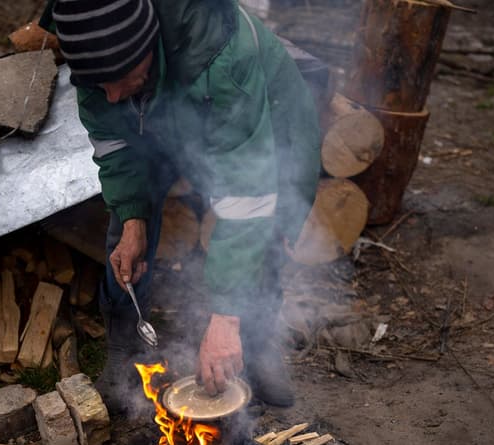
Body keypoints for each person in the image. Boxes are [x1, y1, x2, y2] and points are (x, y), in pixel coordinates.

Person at [40, 0, 321, 411]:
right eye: (100, 85)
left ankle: (254, 341)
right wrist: (134, 216)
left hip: (263, 111)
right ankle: (126, 346)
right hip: (166, 104)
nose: (111, 94)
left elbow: (246, 197)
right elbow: (115, 145)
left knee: (269, 219)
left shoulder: (224, 58)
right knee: (124, 227)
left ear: (147, 47)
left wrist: (225, 318)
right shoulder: (96, 64)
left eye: (118, 78)